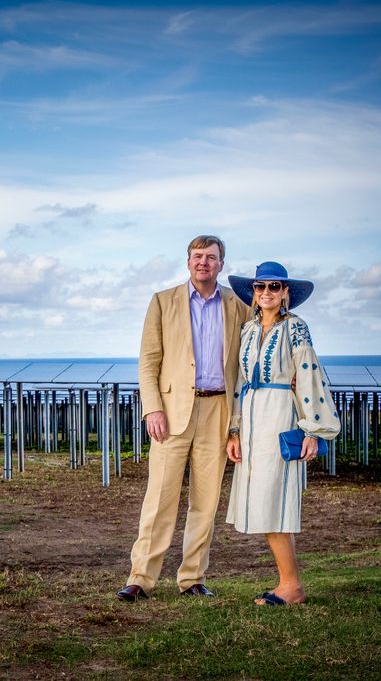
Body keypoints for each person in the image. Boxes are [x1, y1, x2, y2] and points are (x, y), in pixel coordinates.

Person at [117, 235, 251, 602]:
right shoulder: (162, 302)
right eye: (197, 256)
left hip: (218, 411)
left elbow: (251, 353)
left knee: (205, 502)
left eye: (211, 257)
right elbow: (148, 362)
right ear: (187, 262)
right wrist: (152, 408)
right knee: (160, 498)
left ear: (222, 264)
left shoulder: (238, 305)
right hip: (172, 414)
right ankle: (140, 579)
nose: (203, 262)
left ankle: (192, 578)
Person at [225, 261, 340, 606]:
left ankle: (291, 586)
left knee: (273, 500)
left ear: (286, 292)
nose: (266, 293)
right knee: (265, 503)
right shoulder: (248, 330)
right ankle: (288, 583)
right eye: (260, 287)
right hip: (251, 419)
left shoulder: (296, 329)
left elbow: (309, 376)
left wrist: (312, 429)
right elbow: (240, 382)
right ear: (253, 292)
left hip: (280, 417)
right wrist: (234, 430)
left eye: (274, 287)